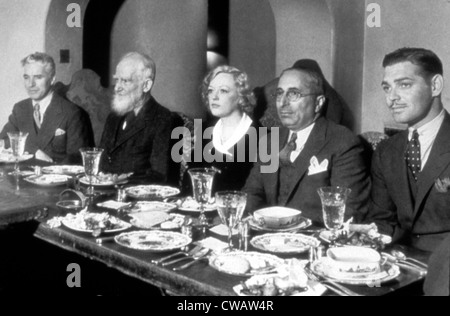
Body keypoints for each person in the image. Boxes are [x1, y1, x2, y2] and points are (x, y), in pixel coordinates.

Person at [243, 67, 370, 224]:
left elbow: (349, 211)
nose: (283, 103)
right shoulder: (269, 141)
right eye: (280, 93)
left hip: (314, 239)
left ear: (318, 103)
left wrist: (290, 225)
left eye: (294, 94)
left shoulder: (343, 142)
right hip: (266, 238)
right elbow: (252, 192)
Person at [365, 47, 450, 252]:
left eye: (404, 85)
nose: (391, 98)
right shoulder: (386, 151)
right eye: (387, 88)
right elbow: (383, 221)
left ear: (435, 85)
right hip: (400, 262)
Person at [99, 52, 181, 185]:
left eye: (125, 81)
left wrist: (124, 180)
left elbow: (160, 175)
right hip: (105, 193)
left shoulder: (163, 119)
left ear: (146, 85)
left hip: (138, 198)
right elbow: (101, 162)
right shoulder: (113, 116)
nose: (117, 87)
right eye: (116, 80)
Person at [0, 52, 94, 163]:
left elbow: (77, 161)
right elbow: (3, 141)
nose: (31, 84)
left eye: (38, 77)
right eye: (26, 77)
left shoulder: (72, 113)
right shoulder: (20, 109)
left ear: (52, 79)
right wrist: (34, 151)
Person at [183, 65, 260, 194]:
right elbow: (189, 185)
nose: (214, 97)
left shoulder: (262, 137)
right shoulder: (202, 132)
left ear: (241, 97)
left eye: (223, 91)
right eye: (210, 91)